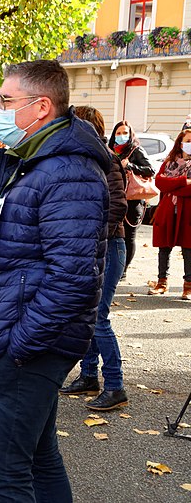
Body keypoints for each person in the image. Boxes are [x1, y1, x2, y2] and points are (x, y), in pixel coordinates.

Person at [0, 60, 109, 502]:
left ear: (42, 106)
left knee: (6, 467)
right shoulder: (33, 161)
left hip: (34, 341)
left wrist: (22, 341)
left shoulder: (68, 170)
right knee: (40, 455)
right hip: (26, 333)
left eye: (6, 101)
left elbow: (74, 277)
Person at [60, 105, 129, 411]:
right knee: (86, 315)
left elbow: (118, 206)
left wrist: (88, 231)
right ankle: (89, 375)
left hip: (108, 246)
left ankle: (115, 385)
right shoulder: (81, 159)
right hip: (91, 246)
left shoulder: (107, 160)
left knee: (99, 316)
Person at [108, 121, 154, 281]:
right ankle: (114, 267)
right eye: (118, 133)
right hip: (114, 197)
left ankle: (124, 270)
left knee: (129, 236)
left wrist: (131, 166)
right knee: (114, 235)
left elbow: (150, 170)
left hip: (132, 201)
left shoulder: (136, 150)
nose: (121, 136)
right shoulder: (110, 150)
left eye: (124, 133)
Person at [148, 129, 191, 299]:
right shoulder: (170, 162)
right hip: (167, 210)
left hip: (187, 212)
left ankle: (188, 286)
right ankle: (161, 282)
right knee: (164, 247)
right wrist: (183, 181)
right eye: (188, 140)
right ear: (181, 143)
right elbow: (159, 182)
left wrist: (172, 186)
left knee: (188, 248)